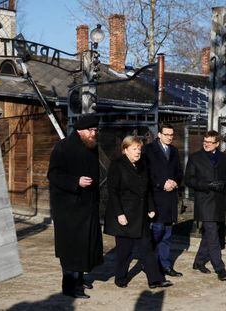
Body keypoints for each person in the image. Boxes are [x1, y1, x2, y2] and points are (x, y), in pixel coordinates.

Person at [104, 136, 173, 289]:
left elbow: (146, 189)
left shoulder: (142, 165)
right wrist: (119, 214)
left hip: (141, 215)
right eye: (134, 149)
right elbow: (113, 192)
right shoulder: (117, 165)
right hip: (125, 215)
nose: (138, 152)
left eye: (139, 149)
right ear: (125, 150)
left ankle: (155, 279)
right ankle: (120, 278)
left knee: (147, 248)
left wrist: (151, 208)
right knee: (124, 251)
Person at [47, 114, 103, 299]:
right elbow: (53, 175)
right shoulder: (63, 147)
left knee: (84, 247)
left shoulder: (91, 147)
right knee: (71, 249)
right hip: (68, 209)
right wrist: (75, 181)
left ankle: (79, 279)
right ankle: (70, 287)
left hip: (87, 207)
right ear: (80, 130)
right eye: (91, 130)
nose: (93, 133)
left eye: (95, 130)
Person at [185, 130, 226, 281]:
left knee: (210, 233)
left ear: (217, 144)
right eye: (205, 141)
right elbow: (189, 180)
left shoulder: (224, 158)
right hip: (204, 201)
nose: (206, 144)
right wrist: (207, 184)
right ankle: (220, 269)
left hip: (219, 201)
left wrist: (223, 184)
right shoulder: (195, 158)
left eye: (210, 142)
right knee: (213, 234)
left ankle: (199, 261)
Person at [144, 124, 183, 277]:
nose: (169, 137)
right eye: (166, 134)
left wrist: (175, 182)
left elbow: (179, 172)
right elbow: (146, 174)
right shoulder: (148, 150)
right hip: (156, 198)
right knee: (157, 231)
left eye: (171, 134)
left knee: (167, 234)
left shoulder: (174, 151)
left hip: (170, 198)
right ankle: (150, 262)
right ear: (159, 134)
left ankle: (165, 266)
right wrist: (161, 184)